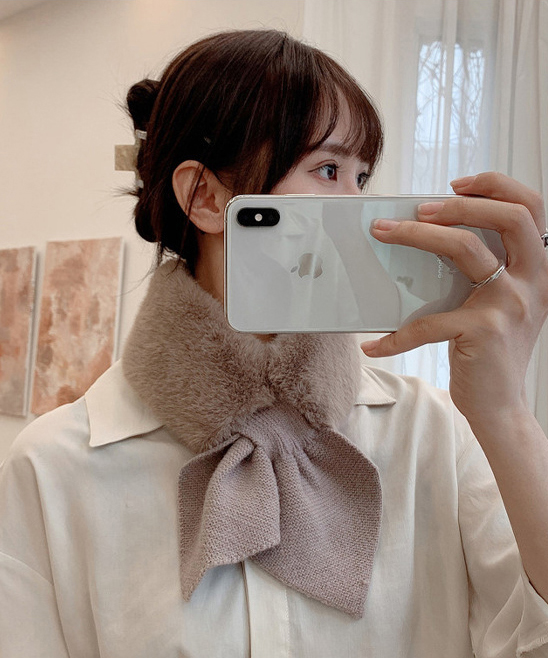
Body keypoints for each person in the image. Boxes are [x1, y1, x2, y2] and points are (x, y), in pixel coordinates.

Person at [1, 28, 548, 658]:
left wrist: (506, 412)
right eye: (328, 170)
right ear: (206, 197)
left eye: (362, 177)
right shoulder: (54, 468)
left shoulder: (432, 433)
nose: (362, 210)